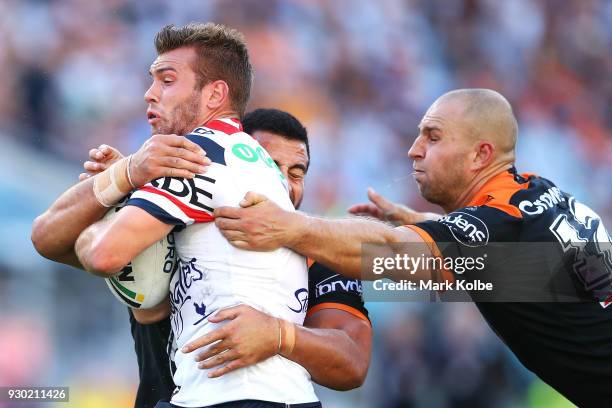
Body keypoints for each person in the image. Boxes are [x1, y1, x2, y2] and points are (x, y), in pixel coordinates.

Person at [212, 88, 612, 407]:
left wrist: (288, 226)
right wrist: (417, 221)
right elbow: (500, 256)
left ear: (481, 154)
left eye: (433, 137)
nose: (414, 149)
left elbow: (387, 255)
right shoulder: (538, 192)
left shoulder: (499, 225)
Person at [81, 108, 372, 407]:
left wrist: (280, 336)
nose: (284, 184)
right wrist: (120, 183)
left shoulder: (319, 255)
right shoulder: (164, 228)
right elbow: (54, 242)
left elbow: (352, 364)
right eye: (272, 169)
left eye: (296, 173)